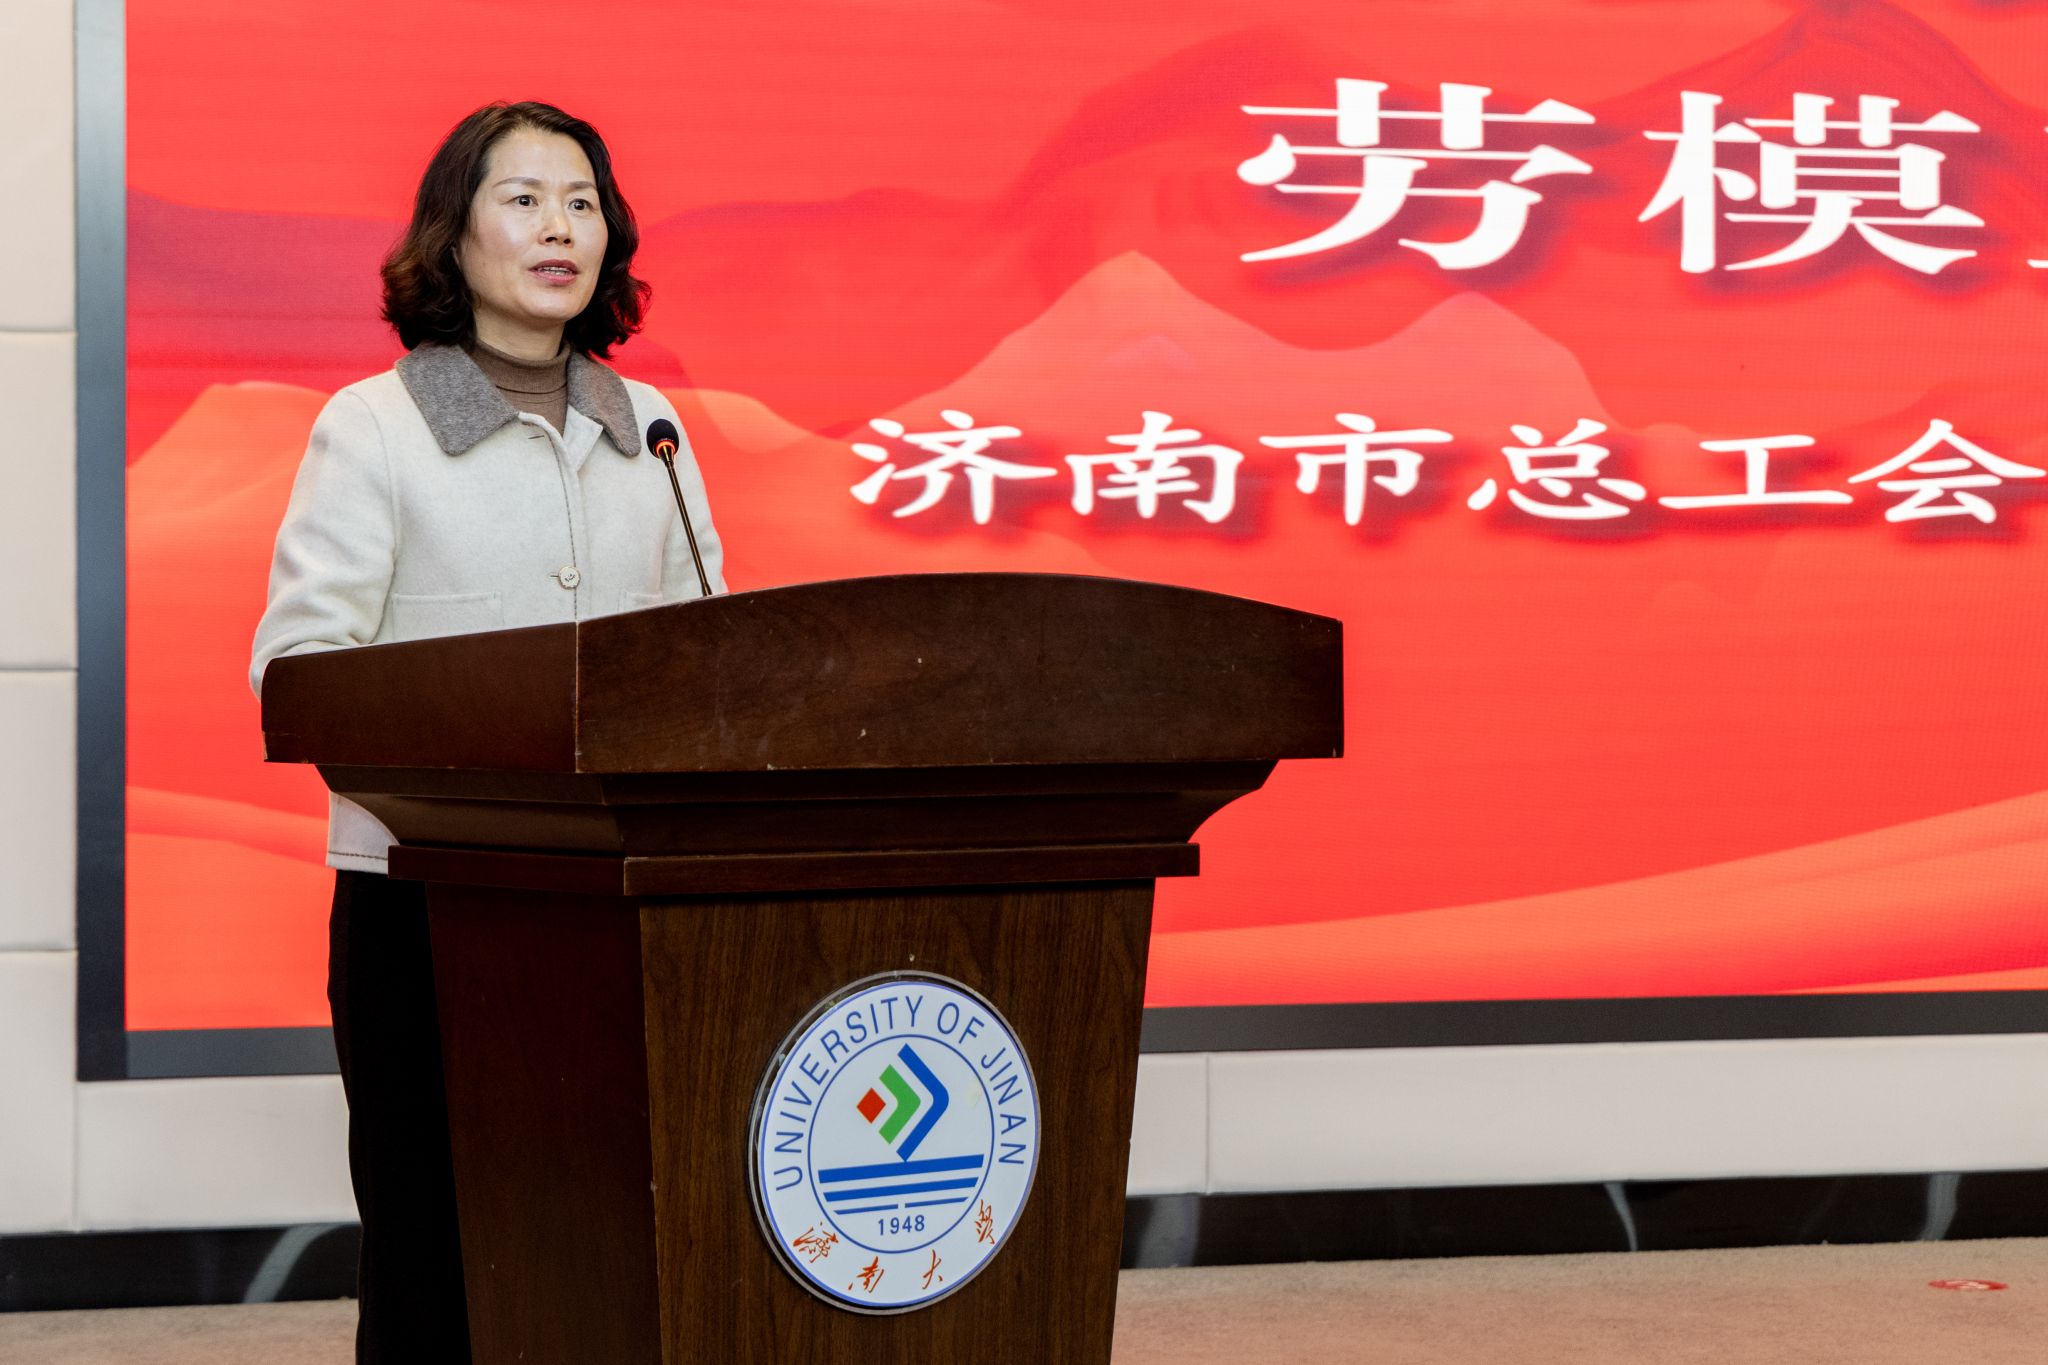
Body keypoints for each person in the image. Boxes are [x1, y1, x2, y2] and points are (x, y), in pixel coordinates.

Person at [249, 100, 724, 1363]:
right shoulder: (375, 426)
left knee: (616, 1228)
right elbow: (299, 671)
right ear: (452, 237)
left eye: (580, 202)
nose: (557, 227)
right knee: (437, 1243)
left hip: (622, 901)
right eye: (521, 200)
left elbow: (717, 666)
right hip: (425, 899)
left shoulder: (651, 431)